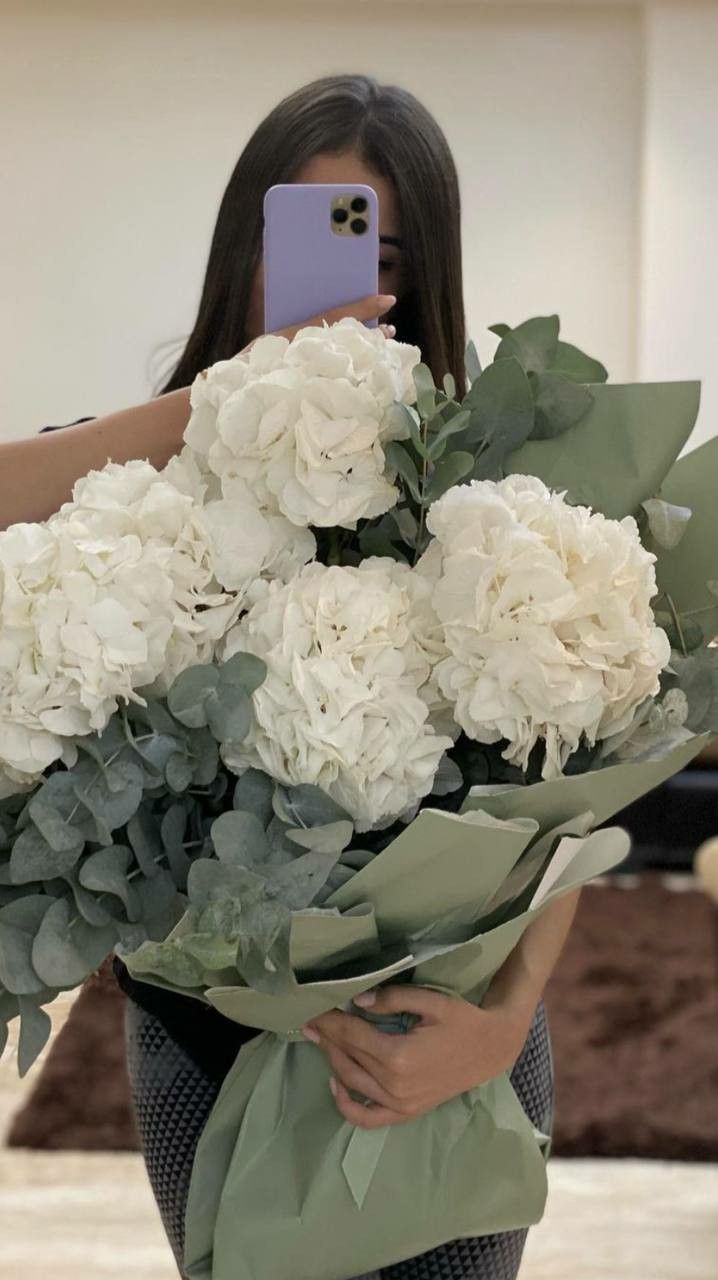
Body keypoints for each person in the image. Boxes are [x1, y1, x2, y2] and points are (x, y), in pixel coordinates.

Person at [1, 74, 577, 1280]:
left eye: (385, 244)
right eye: (305, 234)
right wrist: (232, 398)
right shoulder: (143, 478)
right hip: (205, 1037)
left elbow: (573, 787)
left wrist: (501, 1023)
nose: (349, 276)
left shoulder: (477, 490)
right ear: (244, 250)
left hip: (451, 1030)